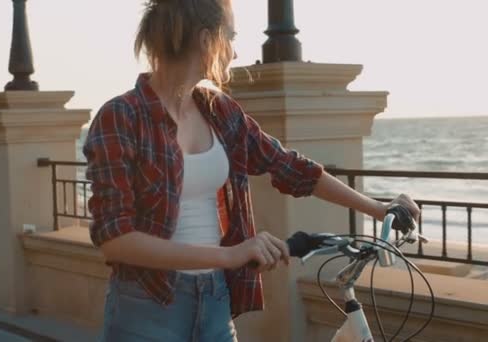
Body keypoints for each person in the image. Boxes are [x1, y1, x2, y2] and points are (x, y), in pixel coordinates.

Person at [83, 0, 420, 341]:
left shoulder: (220, 112)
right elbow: (115, 239)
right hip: (147, 306)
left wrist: (379, 209)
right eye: (230, 37)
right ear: (206, 40)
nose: (234, 51)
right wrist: (230, 254)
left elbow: (290, 167)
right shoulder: (121, 117)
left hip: (215, 299)